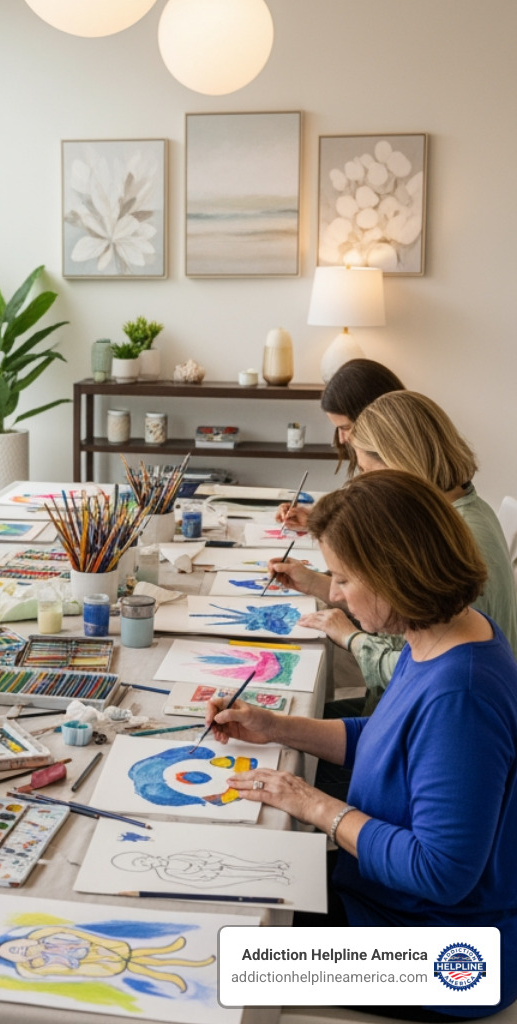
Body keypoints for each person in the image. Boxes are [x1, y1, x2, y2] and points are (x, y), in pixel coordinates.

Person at [211, 470, 517, 1021]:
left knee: (218, 958)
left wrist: (314, 805)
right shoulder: (438, 634)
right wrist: (276, 727)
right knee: (230, 888)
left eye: (345, 579)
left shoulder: (462, 694)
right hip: (387, 904)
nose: (333, 593)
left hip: (443, 955)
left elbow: (440, 872)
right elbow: (385, 738)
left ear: (395, 575)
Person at [270, 391, 517, 712]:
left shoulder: (457, 539)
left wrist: (352, 639)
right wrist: (316, 583)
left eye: (368, 471)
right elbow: (401, 610)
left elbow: (426, 669)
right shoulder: (448, 510)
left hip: (426, 714)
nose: (363, 482)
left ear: (401, 460)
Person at [276, 358, 403, 531]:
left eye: (345, 427)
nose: (342, 439)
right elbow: (367, 510)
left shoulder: (401, 468)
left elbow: (383, 525)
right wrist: (316, 518)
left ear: (375, 418)